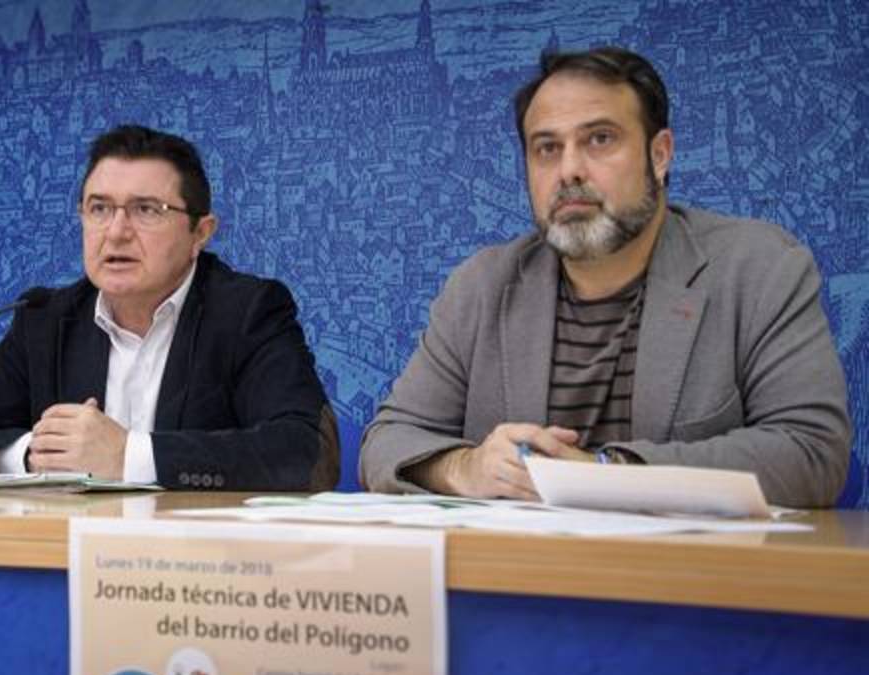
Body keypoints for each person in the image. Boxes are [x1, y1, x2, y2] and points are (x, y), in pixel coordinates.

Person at [360, 47, 850, 508]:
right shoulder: (482, 285)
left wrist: (606, 473)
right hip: (518, 587)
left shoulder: (759, 268)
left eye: (600, 139)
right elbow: (386, 443)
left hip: (691, 588)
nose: (570, 170)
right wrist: (466, 468)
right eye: (546, 149)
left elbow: (811, 452)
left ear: (660, 156)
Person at [0, 124, 337, 490]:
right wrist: (32, 453)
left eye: (146, 210)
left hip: (200, 561)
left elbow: (306, 453)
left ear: (201, 233)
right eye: (99, 209)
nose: (117, 232)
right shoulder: (47, 321)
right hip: (63, 557)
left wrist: (129, 456)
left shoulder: (247, 313)